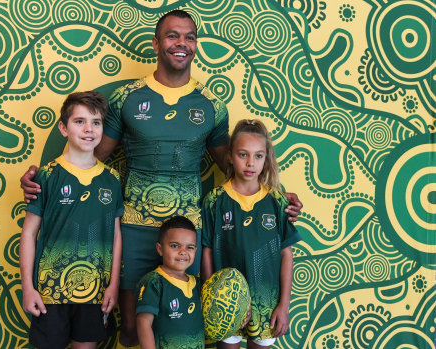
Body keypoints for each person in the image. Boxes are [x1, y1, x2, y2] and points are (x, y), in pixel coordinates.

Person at [21, 10, 303, 347]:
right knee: (129, 330)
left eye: (189, 37)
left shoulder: (212, 104)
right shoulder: (126, 98)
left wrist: (275, 194)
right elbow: (90, 158)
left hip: (189, 232)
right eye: (173, 36)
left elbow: (236, 166)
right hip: (134, 229)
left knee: (187, 329)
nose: (182, 43)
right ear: (157, 43)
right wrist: (44, 179)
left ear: (195, 45)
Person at [19, 91, 123, 349]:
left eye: (96, 122)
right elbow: (29, 233)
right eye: (80, 121)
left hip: (95, 292)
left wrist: (113, 285)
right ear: (63, 128)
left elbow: (116, 235)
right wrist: (27, 288)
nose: (89, 129)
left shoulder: (112, 179)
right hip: (49, 290)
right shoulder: (47, 176)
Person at [201, 119, 302, 349]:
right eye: (243, 154)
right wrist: (211, 299)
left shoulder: (277, 201)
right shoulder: (214, 201)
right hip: (226, 304)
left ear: (266, 159)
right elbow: (206, 252)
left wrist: (284, 305)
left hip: (265, 303)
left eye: (258, 156)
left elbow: (287, 255)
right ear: (230, 156)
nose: (250, 162)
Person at [135, 216, 204, 349]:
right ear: (160, 249)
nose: (183, 252)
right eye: (175, 246)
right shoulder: (154, 282)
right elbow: (143, 322)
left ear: (196, 250)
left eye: (190, 247)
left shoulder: (199, 284)